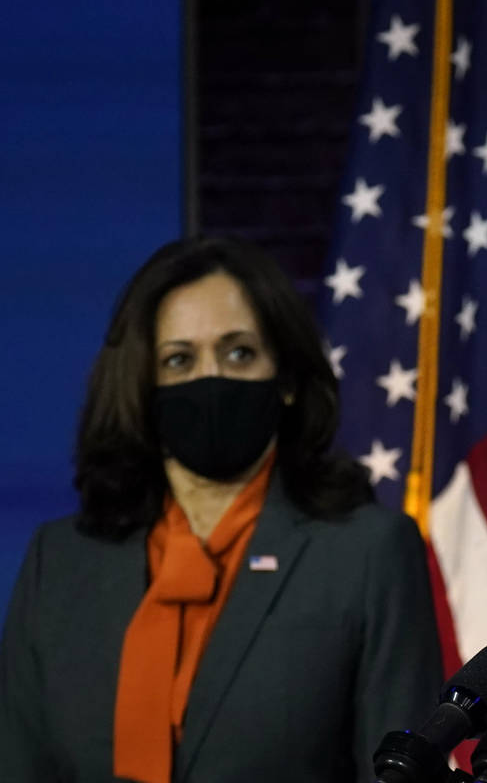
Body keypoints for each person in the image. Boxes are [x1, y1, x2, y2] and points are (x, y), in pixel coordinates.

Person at [0, 236, 443, 782]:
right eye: (179, 360)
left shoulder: (368, 553)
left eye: (239, 353)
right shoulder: (60, 560)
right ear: (141, 384)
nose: (211, 379)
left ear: (283, 377)